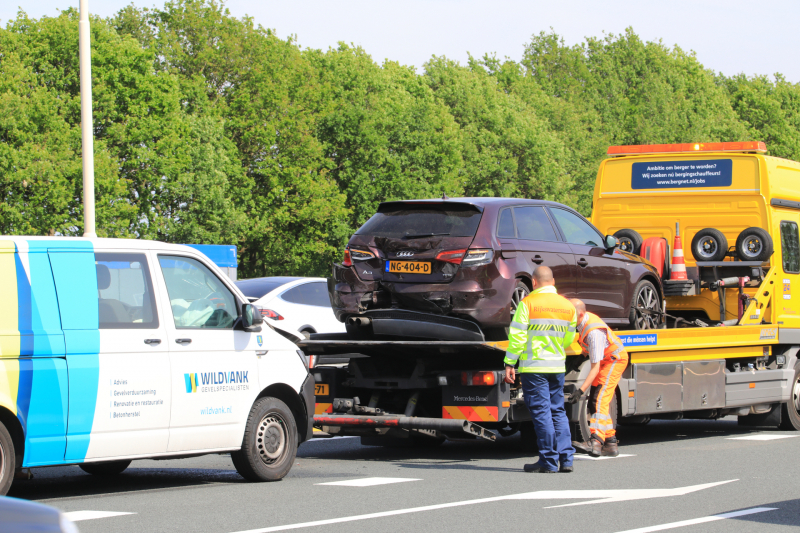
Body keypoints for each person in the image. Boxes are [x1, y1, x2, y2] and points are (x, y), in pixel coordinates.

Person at [504, 266, 577, 473]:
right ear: (552, 282)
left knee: (542, 413)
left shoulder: (528, 303)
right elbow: (569, 339)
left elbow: (517, 337)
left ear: (534, 283)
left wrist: (510, 362)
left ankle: (548, 460)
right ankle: (567, 459)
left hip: (534, 368)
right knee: (558, 411)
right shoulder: (568, 306)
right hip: (557, 366)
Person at [566, 299, 629, 457]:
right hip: (607, 360)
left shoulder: (594, 332)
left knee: (599, 399)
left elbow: (594, 368)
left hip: (614, 360)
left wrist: (580, 391)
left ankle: (595, 441)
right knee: (597, 400)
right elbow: (589, 347)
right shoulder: (583, 322)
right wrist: (580, 358)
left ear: (580, 314)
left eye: (569, 315)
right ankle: (610, 443)